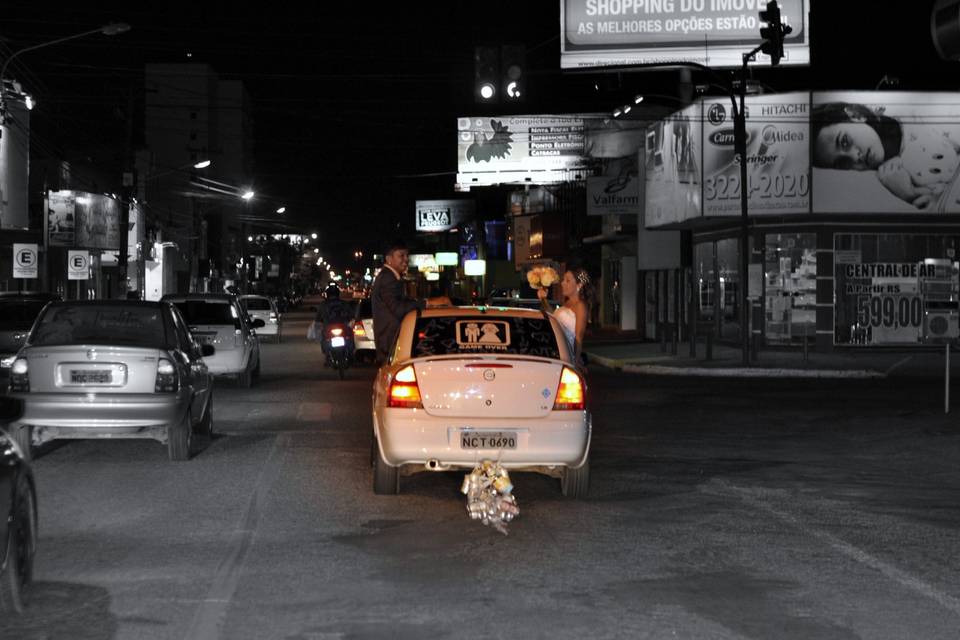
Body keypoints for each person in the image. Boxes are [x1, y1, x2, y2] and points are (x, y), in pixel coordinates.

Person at [812, 102, 960, 209]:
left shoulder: (922, 115)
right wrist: (910, 195)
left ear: (856, 115)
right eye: (843, 163)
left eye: (845, 142)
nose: (854, 157)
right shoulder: (890, 187)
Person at [371, 240, 450, 365]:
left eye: (407, 255)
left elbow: (402, 302)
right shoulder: (388, 278)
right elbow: (398, 309)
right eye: (401, 256)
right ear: (389, 259)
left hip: (390, 344)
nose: (406, 259)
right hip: (390, 344)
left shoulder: (391, 277)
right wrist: (428, 303)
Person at [537, 266, 593, 365]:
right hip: (558, 351)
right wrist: (543, 299)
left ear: (578, 285)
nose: (562, 283)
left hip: (567, 354)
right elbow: (552, 317)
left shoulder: (580, 305)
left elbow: (579, 336)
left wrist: (574, 361)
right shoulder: (566, 303)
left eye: (567, 280)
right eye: (563, 280)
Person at [315, 283, 354, 365]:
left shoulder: (323, 304)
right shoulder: (344, 303)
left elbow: (318, 317)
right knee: (349, 336)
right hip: (341, 326)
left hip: (330, 327)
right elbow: (351, 315)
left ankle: (328, 357)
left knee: (324, 338)